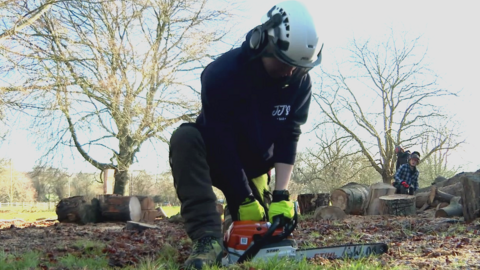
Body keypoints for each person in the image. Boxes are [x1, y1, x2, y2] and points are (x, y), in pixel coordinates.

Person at [168, 1, 323, 269]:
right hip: (214, 155)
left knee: (254, 227)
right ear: (262, 42)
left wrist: (282, 195)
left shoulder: (299, 81)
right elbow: (220, 139)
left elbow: (289, 134)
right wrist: (242, 196)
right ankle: (207, 239)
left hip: (257, 162)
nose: (290, 71)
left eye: (297, 66)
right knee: (184, 138)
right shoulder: (222, 74)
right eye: (285, 62)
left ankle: (234, 224)